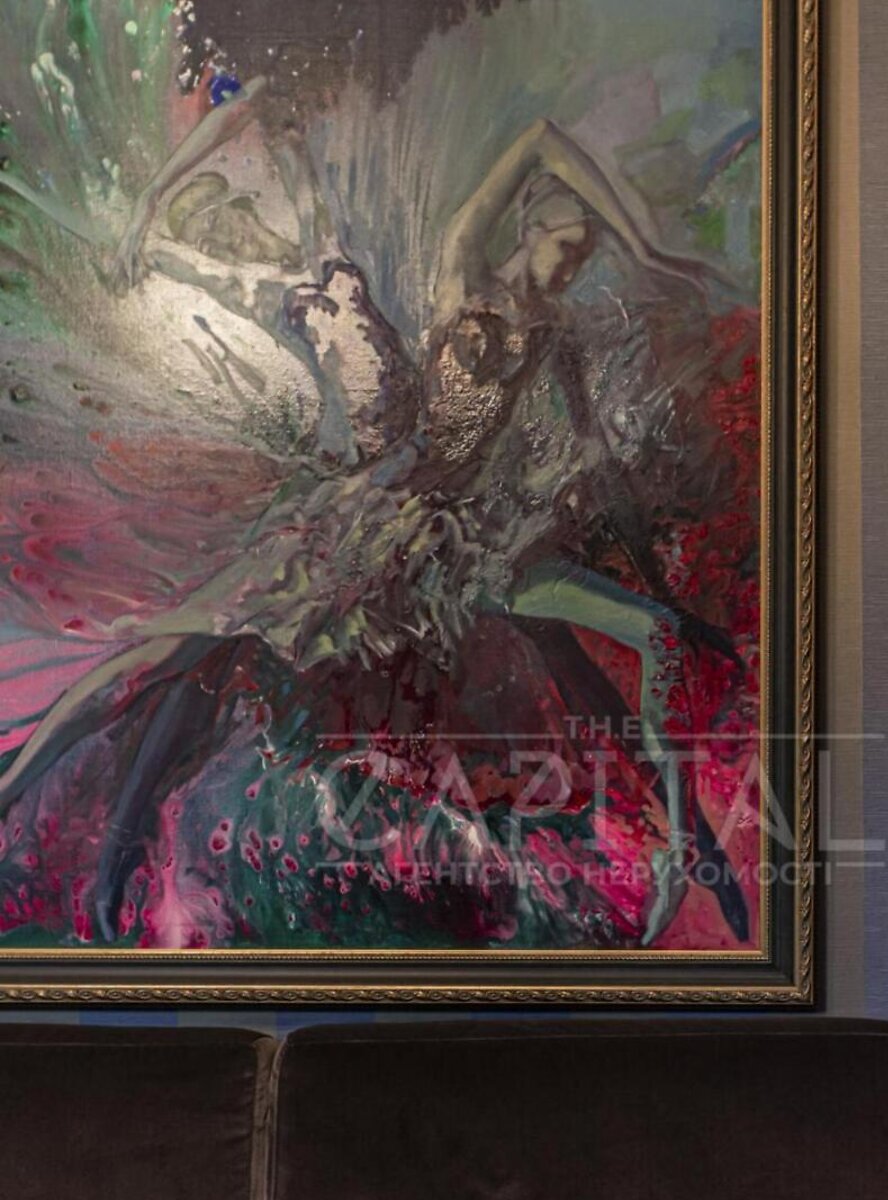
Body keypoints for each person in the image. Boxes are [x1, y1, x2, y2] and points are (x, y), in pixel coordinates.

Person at [0, 80, 743, 945]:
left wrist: (655, 582)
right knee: (179, 650)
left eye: (587, 255)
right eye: (569, 244)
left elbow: (598, 464)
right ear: (531, 225)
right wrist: (648, 246)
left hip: (466, 542)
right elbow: (540, 134)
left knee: (655, 635)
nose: (574, 265)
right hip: (377, 518)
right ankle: (17, 784)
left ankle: (687, 849)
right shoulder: (465, 271)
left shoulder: (554, 336)